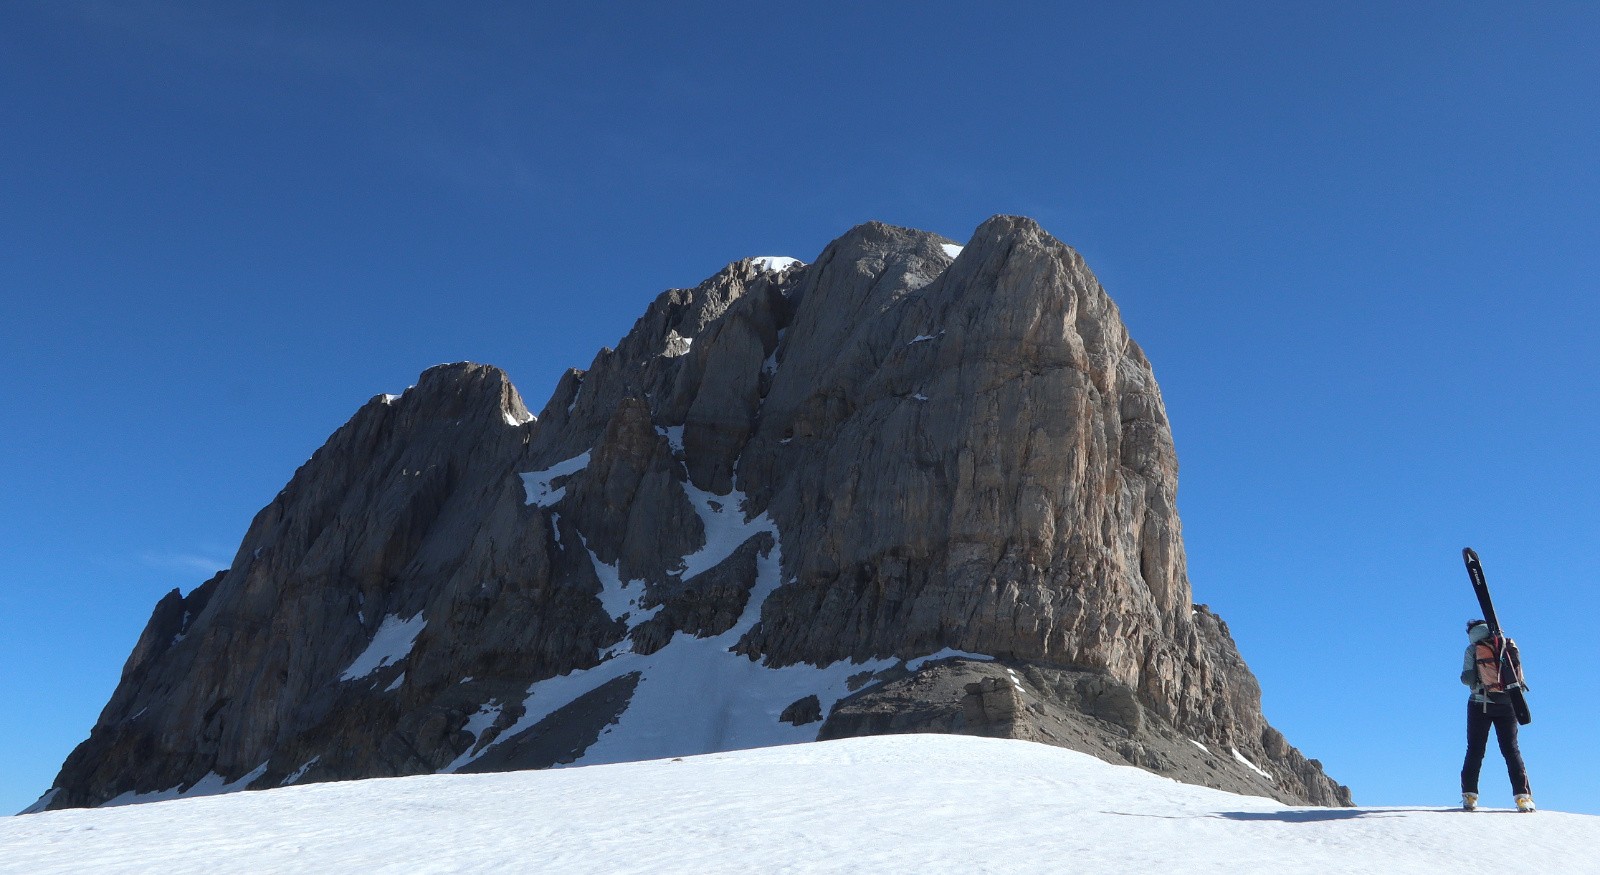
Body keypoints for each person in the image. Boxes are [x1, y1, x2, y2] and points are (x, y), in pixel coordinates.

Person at [1460, 619, 1533, 812]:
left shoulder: (1473, 649)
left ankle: (1469, 796)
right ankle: (1523, 797)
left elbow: (1467, 678)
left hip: (1480, 704)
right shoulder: (1507, 644)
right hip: (1509, 703)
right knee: (1511, 750)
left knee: (1475, 750)